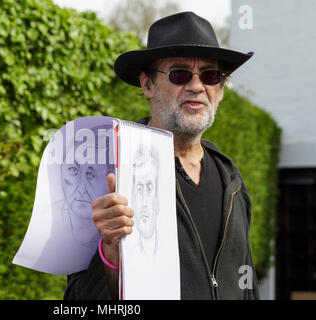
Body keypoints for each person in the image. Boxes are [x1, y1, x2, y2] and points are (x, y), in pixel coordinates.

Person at [64, 11, 260, 299]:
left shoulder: (231, 177)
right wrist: (110, 255)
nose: (196, 86)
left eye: (210, 75)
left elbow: (246, 283)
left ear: (219, 89)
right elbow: (76, 301)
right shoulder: (109, 172)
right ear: (147, 84)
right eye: (179, 73)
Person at [132, 145, 159, 256]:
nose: (144, 203)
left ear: (157, 200)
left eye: (149, 188)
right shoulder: (129, 251)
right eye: (139, 189)